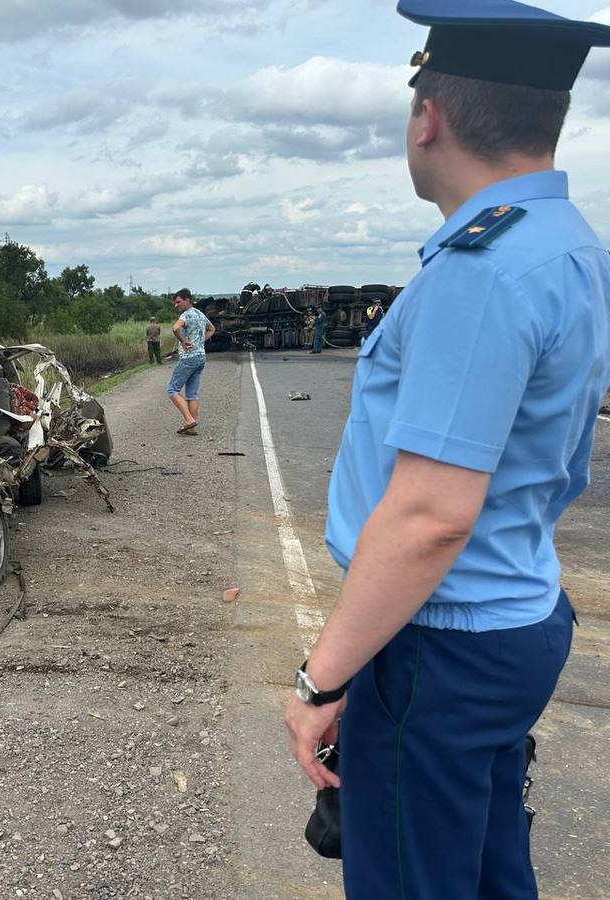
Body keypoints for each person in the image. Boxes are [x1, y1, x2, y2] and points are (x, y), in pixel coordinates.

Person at [283, 2, 610, 897]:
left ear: (427, 117)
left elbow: (430, 517)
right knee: (491, 867)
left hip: (441, 643)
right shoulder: (571, 246)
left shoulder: (482, 271)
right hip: (512, 616)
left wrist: (321, 682)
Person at [167, 289, 213, 435]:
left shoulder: (186, 315)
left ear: (187, 300)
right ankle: (192, 428)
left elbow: (175, 328)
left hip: (188, 357)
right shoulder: (200, 314)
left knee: (172, 389)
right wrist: (201, 341)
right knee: (192, 394)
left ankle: (189, 420)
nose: (176, 305)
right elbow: (212, 329)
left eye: (178, 302)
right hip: (201, 357)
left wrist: (183, 340)